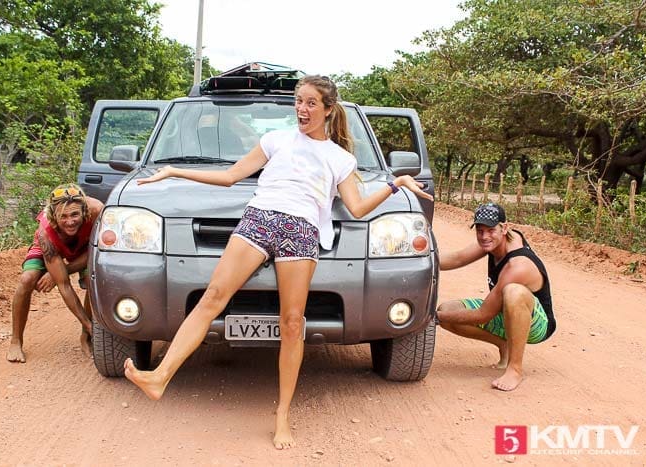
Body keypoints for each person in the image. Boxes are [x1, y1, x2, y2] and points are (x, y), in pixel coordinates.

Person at [124, 75, 434, 450]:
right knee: (213, 298)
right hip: (259, 218)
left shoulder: (341, 158)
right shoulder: (276, 140)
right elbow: (230, 176)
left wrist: (395, 183)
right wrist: (174, 171)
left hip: (299, 231)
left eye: (310, 104)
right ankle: (159, 376)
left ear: (327, 110)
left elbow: (356, 207)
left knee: (291, 323)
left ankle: (282, 415)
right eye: (298, 101)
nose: (301, 109)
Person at [436, 202, 556, 391]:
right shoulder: (494, 241)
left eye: (490, 230)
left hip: (536, 323)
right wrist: (420, 260)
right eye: (479, 230)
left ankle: (514, 369)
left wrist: (430, 317)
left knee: (513, 292)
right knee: (448, 311)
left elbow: (483, 314)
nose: (484, 236)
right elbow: (458, 258)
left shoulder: (518, 265)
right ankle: (504, 343)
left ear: (504, 227)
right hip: (503, 312)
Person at [6, 184, 104, 363]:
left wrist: (58, 272)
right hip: (53, 249)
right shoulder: (46, 234)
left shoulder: (98, 211)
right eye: (63, 217)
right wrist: (56, 272)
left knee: (93, 279)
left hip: (85, 248)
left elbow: (99, 248)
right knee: (27, 279)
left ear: (84, 211)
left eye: (75, 214)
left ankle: (86, 337)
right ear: (53, 216)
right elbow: (64, 285)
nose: (70, 221)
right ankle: (16, 340)